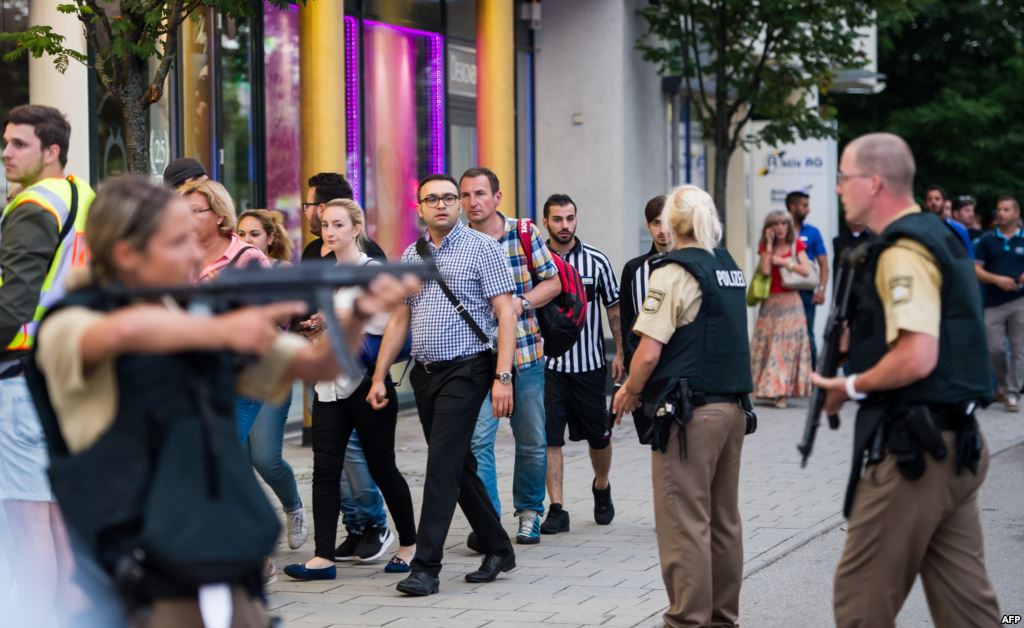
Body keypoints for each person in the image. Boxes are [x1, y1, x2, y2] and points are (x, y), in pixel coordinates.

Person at [28, 174, 419, 626]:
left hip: (222, 560)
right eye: (178, 242)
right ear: (126, 253)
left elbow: (320, 366)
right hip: (139, 573)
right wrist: (218, 329)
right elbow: (120, 333)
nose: (196, 253)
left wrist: (362, 314)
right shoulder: (73, 320)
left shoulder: (192, 313)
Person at [811, 133, 999, 628]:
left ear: (873, 183)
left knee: (859, 605)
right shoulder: (936, 235)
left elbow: (918, 355)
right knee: (970, 612)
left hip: (915, 456)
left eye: (843, 178)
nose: (837, 190)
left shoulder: (902, 249)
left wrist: (849, 386)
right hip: (958, 444)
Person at [368, 173, 517, 596]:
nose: (442, 204)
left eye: (449, 198)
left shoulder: (483, 249)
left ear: (459, 204)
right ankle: (499, 547)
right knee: (455, 464)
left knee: (440, 467)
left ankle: (426, 567)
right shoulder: (410, 255)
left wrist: (502, 377)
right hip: (425, 373)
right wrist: (379, 376)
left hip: (468, 370)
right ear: (420, 207)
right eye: (432, 199)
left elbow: (506, 314)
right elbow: (400, 317)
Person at [613, 184, 751, 628]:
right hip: (731, 409)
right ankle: (721, 619)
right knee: (723, 521)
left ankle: (687, 621)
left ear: (672, 222)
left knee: (684, 523)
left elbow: (649, 350)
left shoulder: (673, 271)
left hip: (688, 414)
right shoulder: (727, 266)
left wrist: (630, 389)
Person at [284, 199, 417, 580]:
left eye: (339, 225)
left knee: (382, 467)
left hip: (367, 383)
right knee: (325, 469)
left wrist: (337, 317)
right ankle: (322, 557)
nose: (330, 232)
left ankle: (409, 545)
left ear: (356, 229)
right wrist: (315, 331)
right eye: (326, 224)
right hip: (329, 388)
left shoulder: (372, 271)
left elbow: (383, 323)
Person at [0, 104, 94, 626]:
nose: (6, 153)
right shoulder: (83, 196)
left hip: (21, 376)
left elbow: (13, 305)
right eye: (6, 142)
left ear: (51, 150)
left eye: (19, 144)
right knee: (57, 519)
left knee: (26, 519)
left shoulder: (33, 204)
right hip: (66, 372)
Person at [462, 167, 561, 546]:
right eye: (467, 195)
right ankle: (488, 522)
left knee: (532, 439)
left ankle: (530, 512)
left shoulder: (523, 232)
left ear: (497, 197)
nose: (473, 202)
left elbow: (552, 281)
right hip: (478, 357)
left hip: (525, 353)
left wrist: (519, 303)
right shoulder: (457, 241)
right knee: (478, 441)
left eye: (481, 194)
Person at [302, 171, 392, 562]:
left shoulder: (368, 257)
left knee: (360, 454)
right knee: (331, 460)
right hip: (323, 366)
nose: (310, 214)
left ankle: (376, 525)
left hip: (358, 372)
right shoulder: (312, 253)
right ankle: (354, 526)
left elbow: (380, 319)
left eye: (311, 206)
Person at [541, 194, 624, 533]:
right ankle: (557, 508)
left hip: (589, 366)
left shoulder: (596, 261)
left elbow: (614, 307)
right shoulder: (536, 261)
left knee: (599, 437)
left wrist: (620, 352)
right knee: (550, 438)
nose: (565, 225)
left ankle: (601, 487)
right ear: (545, 222)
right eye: (558, 219)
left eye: (570, 218)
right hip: (547, 367)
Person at [750, 210, 813, 408]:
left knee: (784, 349)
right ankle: (771, 389)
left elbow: (806, 271)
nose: (779, 228)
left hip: (791, 303)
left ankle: (782, 393)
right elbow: (766, 270)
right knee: (768, 346)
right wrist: (769, 247)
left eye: (783, 224)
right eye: (775, 225)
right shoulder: (764, 247)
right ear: (769, 229)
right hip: (770, 304)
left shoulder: (797, 245)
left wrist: (786, 262)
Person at [973, 195, 1024, 412]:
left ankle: (1013, 392)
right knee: (994, 349)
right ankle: (1002, 384)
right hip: (993, 303)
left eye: (1005, 209)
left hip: (1020, 301)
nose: (1000, 213)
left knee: (1018, 348)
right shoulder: (986, 240)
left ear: (1016, 214)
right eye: (998, 210)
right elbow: (976, 270)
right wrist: (996, 279)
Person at [179, 178, 270, 283]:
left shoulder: (249, 257)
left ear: (219, 215)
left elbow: (270, 298)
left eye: (195, 211)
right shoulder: (176, 256)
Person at [620, 195, 672, 369]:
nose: (662, 230)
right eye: (656, 223)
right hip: (642, 361)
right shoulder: (633, 269)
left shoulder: (690, 265)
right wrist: (629, 362)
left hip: (678, 362)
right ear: (648, 226)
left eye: (667, 222)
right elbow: (626, 321)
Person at [786, 191, 829, 367]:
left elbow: (824, 264)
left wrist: (821, 289)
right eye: (804, 205)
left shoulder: (813, 232)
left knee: (807, 333)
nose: (808, 210)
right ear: (792, 207)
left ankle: (811, 376)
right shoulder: (781, 230)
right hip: (784, 291)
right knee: (786, 333)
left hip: (806, 292)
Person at [303, 172, 386, 262]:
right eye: (325, 225)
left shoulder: (369, 254)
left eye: (339, 225)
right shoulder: (311, 249)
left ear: (321, 209)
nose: (306, 211)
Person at [924, 184, 973, 255]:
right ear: (925, 203)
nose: (933, 202)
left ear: (944, 202)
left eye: (937, 199)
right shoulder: (919, 228)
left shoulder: (959, 229)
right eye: (929, 199)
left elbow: (969, 257)